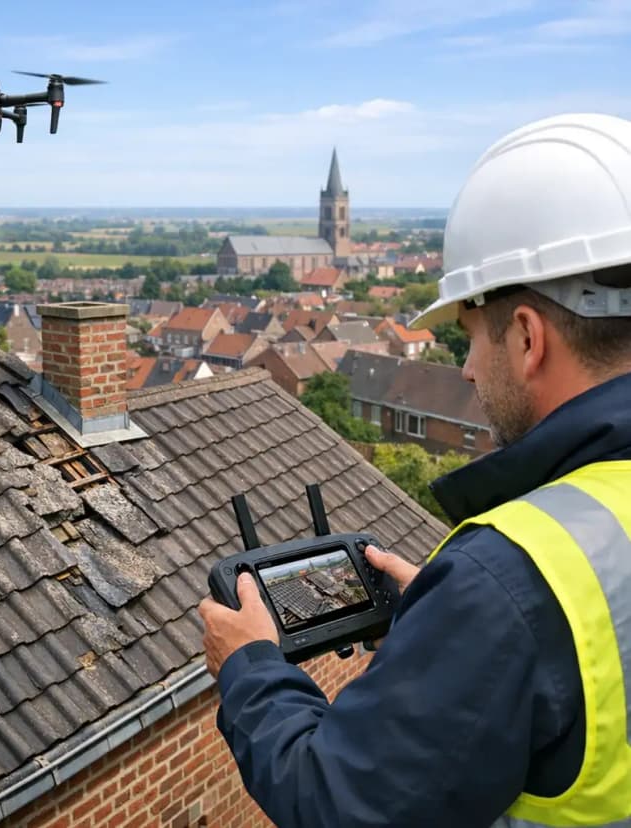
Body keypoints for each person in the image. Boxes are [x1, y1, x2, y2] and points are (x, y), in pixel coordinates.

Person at [198, 113, 631, 827]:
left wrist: (249, 668)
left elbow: (338, 804)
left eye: (470, 336)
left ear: (526, 337)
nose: (463, 369)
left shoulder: (509, 579)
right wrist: (450, 627)